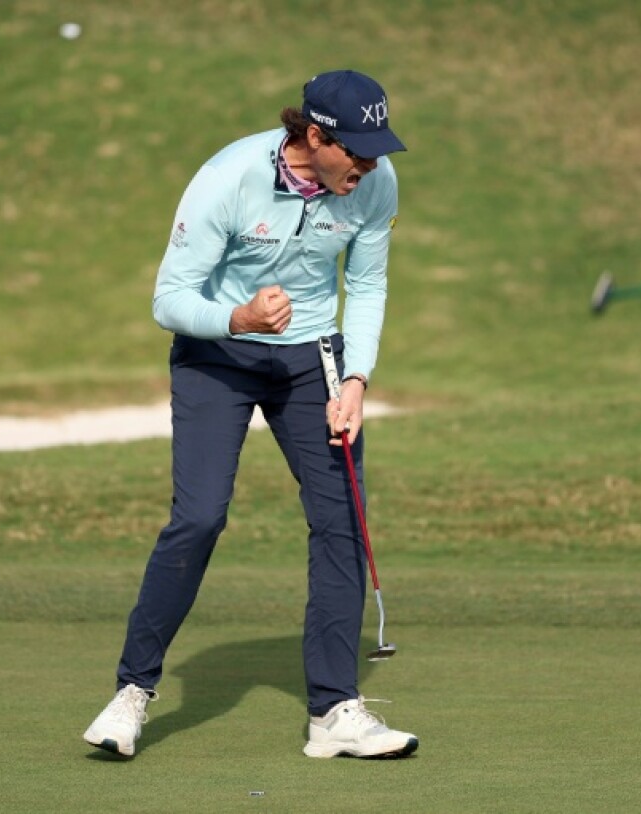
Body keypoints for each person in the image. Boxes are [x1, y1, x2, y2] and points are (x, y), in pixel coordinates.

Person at [82, 70, 417, 760]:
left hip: (312, 358)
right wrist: (236, 316)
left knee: (340, 518)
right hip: (216, 354)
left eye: (376, 148)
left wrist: (356, 376)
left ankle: (334, 712)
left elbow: (369, 280)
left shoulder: (374, 185)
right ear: (314, 137)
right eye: (355, 149)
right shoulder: (228, 177)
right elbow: (169, 299)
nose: (370, 163)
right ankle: (132, 693)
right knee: (200, 515)